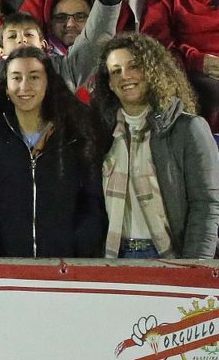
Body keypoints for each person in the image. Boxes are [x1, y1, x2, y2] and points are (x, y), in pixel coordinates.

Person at [0, 47, 107, 281]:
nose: (25, 86)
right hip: (1, 270)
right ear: (6, 86)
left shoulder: (75, 134)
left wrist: (80, 243)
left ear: (48, 82)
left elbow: (92, 198)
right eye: (16, 78)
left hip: (67, 269)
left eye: (34, 77)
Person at [92, 32, 219, 261]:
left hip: (171, 258)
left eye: (134, 66)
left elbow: (207, 206)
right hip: (114, 258)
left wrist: (195, 269)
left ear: (151, 71)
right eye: (116, 71)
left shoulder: (189, 129)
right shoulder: (102, 134)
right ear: (109, 84)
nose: (125, 76)